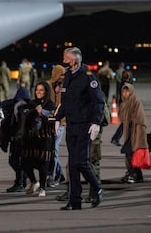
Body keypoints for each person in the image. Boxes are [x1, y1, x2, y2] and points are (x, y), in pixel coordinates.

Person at [55, 47, 105, 210]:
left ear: (74, 60)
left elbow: (98, 101)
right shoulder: (68, 76)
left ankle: (96, 187)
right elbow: (66, 101)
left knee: (81, 161)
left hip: (85, 125)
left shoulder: (88, 77)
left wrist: (96, 122)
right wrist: (56, 118)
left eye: (66, 58)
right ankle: (74, 200)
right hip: (71, 125)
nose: (64, 60)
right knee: (72, 163)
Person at [19, 82, 55, 197]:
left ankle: (42, 188)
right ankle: (34, 182)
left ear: (46, 92)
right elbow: (24, 115)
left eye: (41, 90)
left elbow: (52, 121)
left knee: (43, 164)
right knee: (25, 162)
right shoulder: (32, 104)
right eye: (37, 90)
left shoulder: (50, 105)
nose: (38, 92)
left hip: (45, 139)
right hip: (31, 139)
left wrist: (41, 112)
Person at [119, 83, 149, 183]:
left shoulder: (136, 102)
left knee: (131, 153)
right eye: (123, 91)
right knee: (129, 153)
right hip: (128, 131)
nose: (125, 93)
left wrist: (139, 134)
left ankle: (133, 174)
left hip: (136, 132)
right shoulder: (124, 103)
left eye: (127, 91)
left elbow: (141, 119)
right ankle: (134, 174)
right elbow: (122, 118)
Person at [2, 87, 31, 192]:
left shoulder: (21, 107)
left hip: (20, 138)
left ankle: (20, 182)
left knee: (15, 160)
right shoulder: (18, 106)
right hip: (18, 138)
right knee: (16, 160)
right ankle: (21, 180)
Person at [46, 65, 66, 188]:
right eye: (61, 74)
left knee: (54, 149)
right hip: (48, 122)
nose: (63, 77)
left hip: (61, 122)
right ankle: (59, 173)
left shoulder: (65, 87)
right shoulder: (47, 86)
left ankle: (51, 176)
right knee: (49, 149)